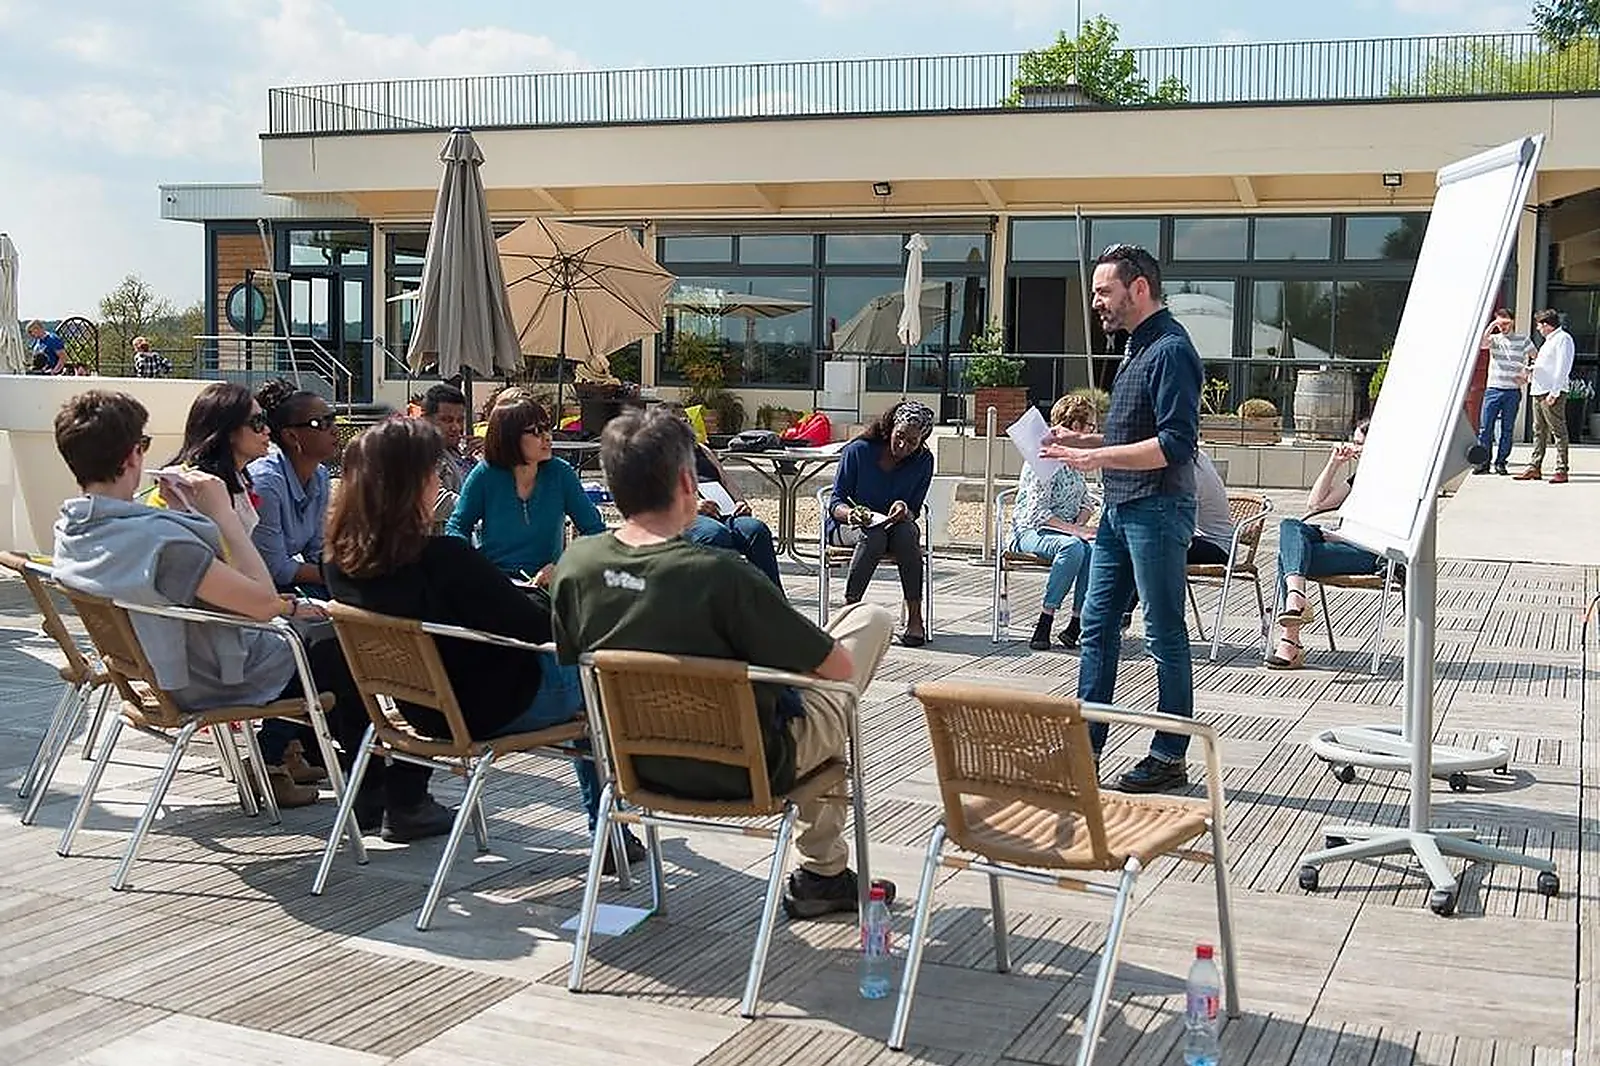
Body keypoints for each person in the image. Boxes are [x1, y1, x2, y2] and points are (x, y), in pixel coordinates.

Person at [551, 407, 896, 919]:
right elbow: (838, 671)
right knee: (865, 628)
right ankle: (823, 873)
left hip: (632, 767)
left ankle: (825, 874)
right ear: (689, 482)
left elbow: (574, 666)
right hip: (748, 766)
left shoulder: (575, 566)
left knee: (817, 711)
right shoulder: (720, 577)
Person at [324, 418, 638, 858]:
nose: (440, 479)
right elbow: (535, 631)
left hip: (423, 709)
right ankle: (609, 831)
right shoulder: (445, 560)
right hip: (494, 707)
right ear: (412, 483)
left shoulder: (339, 563)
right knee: (596, 677)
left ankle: (408, 801)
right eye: (433, 471)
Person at [46, 390, 352, 809]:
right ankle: (374, 786)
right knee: (336, 644)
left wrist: (186, 516)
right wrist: (221, 514)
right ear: (133, 455)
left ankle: (320, 764)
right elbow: (261, 601)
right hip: (208, 677)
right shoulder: (161, 544)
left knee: (320, 637)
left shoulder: (75, 530)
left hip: (154, 671)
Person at [1039, 244, 1202, 794]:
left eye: (1103, 292)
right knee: (1096, 629)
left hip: (1157, 508)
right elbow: (1134, 434)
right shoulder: (1136, 347)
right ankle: (1086, 750)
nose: (1096, 304)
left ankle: (1168, 754)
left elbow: (1176, 446)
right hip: (1121, 509)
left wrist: (1094, 458)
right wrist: (1081, 442)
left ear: (1139, 289)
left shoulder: (1172, 350)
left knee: (1163, 634)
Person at [446, 397, 605, 583]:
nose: (547, 437)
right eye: (536, 431)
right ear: (509, 436)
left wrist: (564, 567)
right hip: (494, 582)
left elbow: (594, 530)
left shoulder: (560, 473)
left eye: (547, 428)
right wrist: (468, 565)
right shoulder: (485, 474)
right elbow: (457, 526)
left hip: (545, 585)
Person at [1266, 420, 1383, 671]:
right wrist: (1334, 464)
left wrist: (1339, 537)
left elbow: (1386, 534)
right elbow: (1316, 504)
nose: (1355, 449)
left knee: (1287, 558)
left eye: (1360, 444)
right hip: (1344, 543)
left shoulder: (1394, 481)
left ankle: (1291, 642)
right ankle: (1296, 597)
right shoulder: (1358, 478)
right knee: (1290, 526)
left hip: (1369, 553)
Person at [824, 401, 936, 647]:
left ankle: (915, 619)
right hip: (848, 525)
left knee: (908, 533)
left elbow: (914, 508)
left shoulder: (923, 461)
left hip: (892, 527)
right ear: (891, 428)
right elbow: (835, 502)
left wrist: (904, 509)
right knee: (873, 535)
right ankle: (849, 613)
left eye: (912, 442)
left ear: (922, 441)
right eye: (900, 436)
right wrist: (853, 514)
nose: (903, 445)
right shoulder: (859, 450)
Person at [1010, 394, 1098, 652]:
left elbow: (1086, 501)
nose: (1093, 431)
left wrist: (1082, 527)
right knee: (1073, 547)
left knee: (1092, 548)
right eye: (1090, 426)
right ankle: (1045, 619)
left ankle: (1076, 623)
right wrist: (1078, 530)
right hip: (1031, 530)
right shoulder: (1044, 458)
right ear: (1075, 427)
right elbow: (1038, 513)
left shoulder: (1074, 460)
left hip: (1064, 532)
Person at [665, 404, 783, 589]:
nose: (686, 425)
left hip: (724, 511)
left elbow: (726, 481)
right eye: (679, 421)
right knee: (715, 535)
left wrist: (740, 502)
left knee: (755, 530)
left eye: (686, 420)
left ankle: (773, 603)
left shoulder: (702, 450)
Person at [248, 380, 338, 598]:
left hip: (284, 586)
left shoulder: (320, 475)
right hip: (256, 591)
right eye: (321, 423)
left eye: (333, 419)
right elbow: (276, 568)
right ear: (291, 436)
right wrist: (339, 576)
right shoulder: (265, 483)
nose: (334, 430)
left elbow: (316, 550)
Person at [159, 382, 271, 537]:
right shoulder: (184, 486)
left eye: (264, 419)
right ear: (229, 431)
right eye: (257, 422)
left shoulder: (239, 479)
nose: (267, 430)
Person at [1517, 309, 1576, 485]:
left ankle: (1561, 470)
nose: (1537, 328)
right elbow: (1546, 365)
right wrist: (1530, 370)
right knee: (1539, 431)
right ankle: (1535, 467)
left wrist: (1555, 392)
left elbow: (1563, 367)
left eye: (1539, 325)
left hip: (1551, 392)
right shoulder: (1548, 342)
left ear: (1547, 325)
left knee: (1558, 431)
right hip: (1538, 390)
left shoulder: (1563, 339)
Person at [1475, 308, 1534, 476]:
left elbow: (1539, 358)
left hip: (1512, 392)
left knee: (1507, 429)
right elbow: (1481, 343)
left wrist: (1527, 376)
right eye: (1500, 324)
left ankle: (1501, 462)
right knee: (1486, 428)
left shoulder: (1523, 340)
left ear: (1513, 322)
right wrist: (1493, 324)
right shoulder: (1494, 339)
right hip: (1493, 389)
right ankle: (1483, 463)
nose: (1503, 327)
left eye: (1506, 323)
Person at [420, 382, 477, 531]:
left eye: (460, 420)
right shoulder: (421, 453)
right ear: (425, 419)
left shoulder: (462, 451)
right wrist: (479, 507)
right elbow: (434, 500)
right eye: (447, 420)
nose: (456, 427)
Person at [1189, 450, 1233, 566]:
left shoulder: (1191, 468)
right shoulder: (1197, 457)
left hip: (1216, 547)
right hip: (1203, 539)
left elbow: (1178, 519)